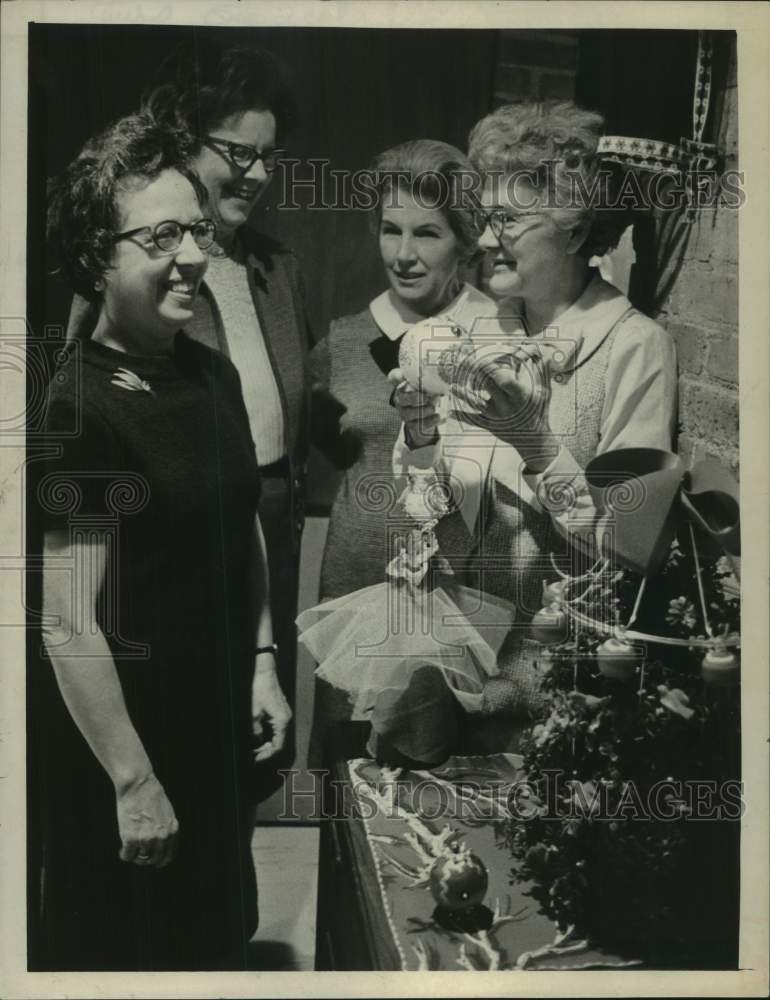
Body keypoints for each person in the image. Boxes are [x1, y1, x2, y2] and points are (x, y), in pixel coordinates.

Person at [33, 112, 290, 970]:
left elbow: (239, 515)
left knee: (215, 940)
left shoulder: (206, 372)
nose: (192, 254)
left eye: (197, 230)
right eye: (162, 235)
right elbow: (68, 622)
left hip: (215, 723)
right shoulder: (77, 408)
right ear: (97, 256)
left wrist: (261, 662)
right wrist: (134, 782)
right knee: (129, 955)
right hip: (130, 746)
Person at [392, 101, 678, 750]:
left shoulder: (632, 347)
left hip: (562, 682)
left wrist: (535, 441)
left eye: (509, 221)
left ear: (576, 232)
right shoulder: (475, 332)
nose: (487, 240)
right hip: (452, 660)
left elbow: (633, 548)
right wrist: (420, 437)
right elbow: (426, 510)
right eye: (484, 220)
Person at [67, 43, 310, 797]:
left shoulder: (276, 269)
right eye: (239, 152)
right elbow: (90, 407)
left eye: (269, 157)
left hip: (257, 520)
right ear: (187, 141)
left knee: (247, 761)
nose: (257, 173)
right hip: (159, 538)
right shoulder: (135, 272)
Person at [307, 138, 510, 763]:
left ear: (466, 241)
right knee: (348, 778)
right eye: (390, 230)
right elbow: (327, 458)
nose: (403, 254)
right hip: (356, 587)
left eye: (428, 233)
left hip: (456, 591)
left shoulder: (501, 334)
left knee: (439, 774)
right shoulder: (342, 340)